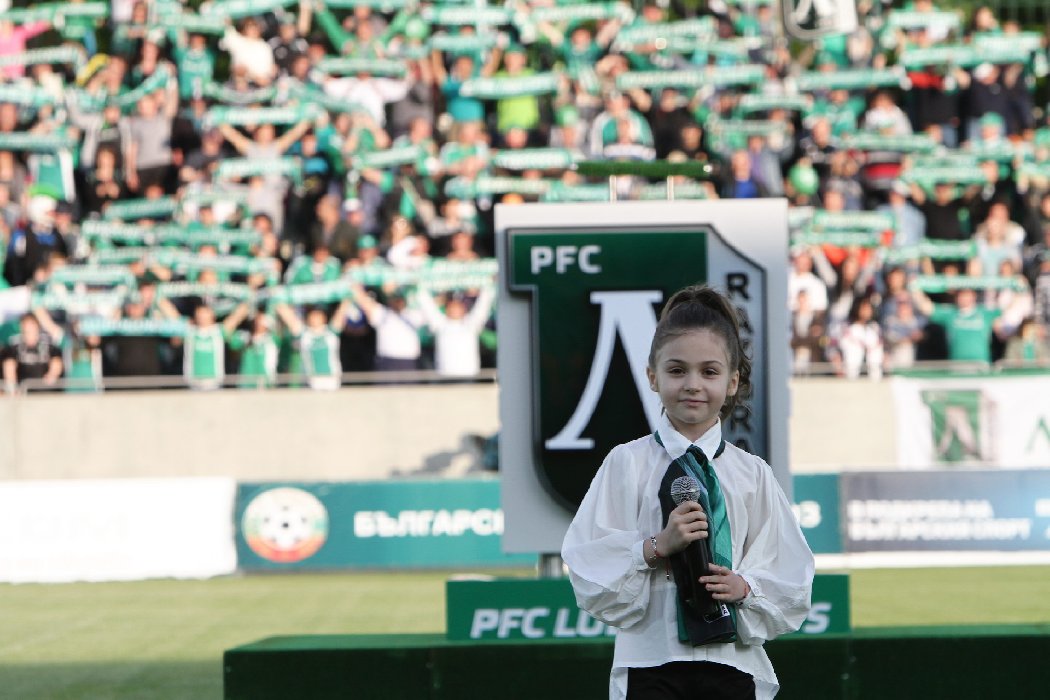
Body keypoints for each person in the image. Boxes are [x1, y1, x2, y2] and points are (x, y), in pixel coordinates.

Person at [562, 285, 814, 700]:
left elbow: (790, 573)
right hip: (651, 662)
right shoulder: (627, 463)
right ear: (653, 377)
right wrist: (655, 547)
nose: (693, 384)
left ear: (732, 382)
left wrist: (745, 587)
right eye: (677, 371)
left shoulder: (752, 474)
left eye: (709, 372)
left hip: (732, 663)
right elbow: (588, 563)